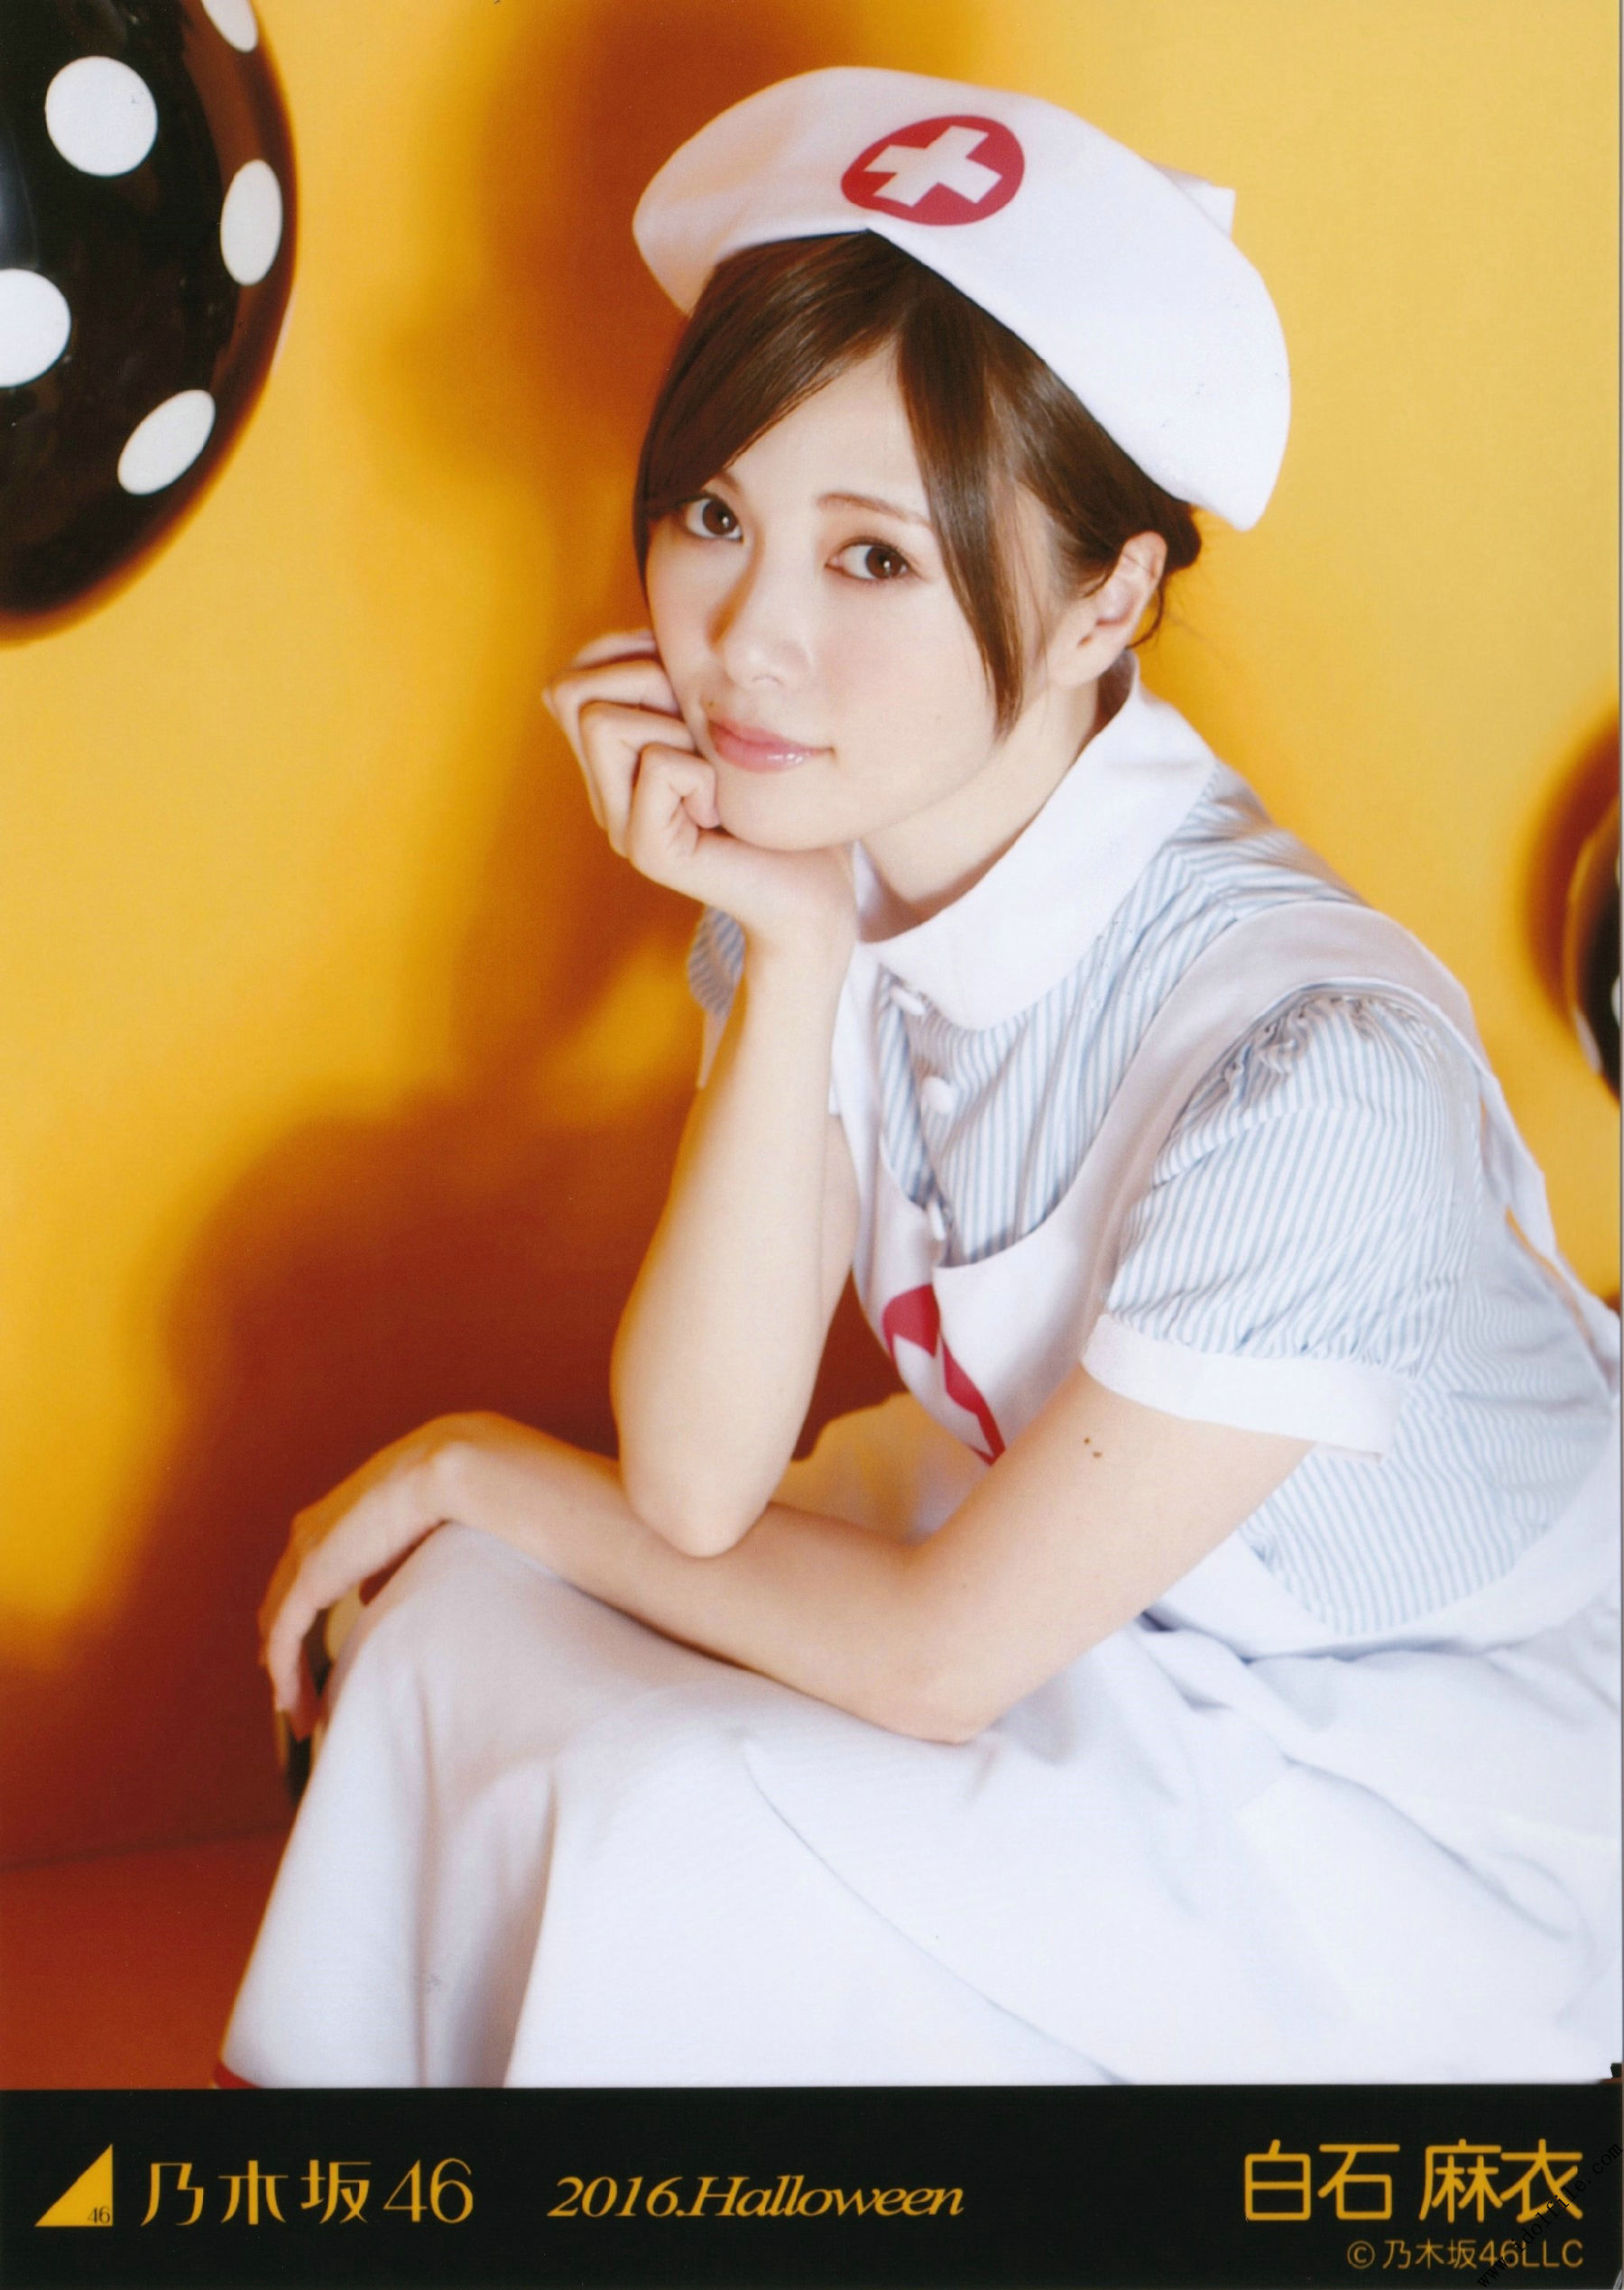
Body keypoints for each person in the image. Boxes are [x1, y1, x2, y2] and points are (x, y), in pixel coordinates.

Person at [221, 68, 1619, 2089]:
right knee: (457, 1627)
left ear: (1108, 599)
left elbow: (943, 1657)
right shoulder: (834, 847)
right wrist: (792, 952)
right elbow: (695, 1478)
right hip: (1080, 1561)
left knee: (670, 1816)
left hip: (1416, 1749)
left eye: (872, 559)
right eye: (717, 515)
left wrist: (473, 1462)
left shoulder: (1319, 1075)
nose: (743, 643)